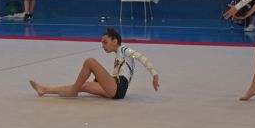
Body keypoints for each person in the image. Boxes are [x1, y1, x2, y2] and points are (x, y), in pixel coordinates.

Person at [29, 28, 159, 100]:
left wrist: (155, 75)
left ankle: (73, 92)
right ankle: (44, 89)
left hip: (118, 87)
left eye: (105, 42)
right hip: (116, 89)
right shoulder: (119, 55)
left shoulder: (124, 49)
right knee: (83, 85)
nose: (102, 46)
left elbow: (142, 58)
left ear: (115, 41)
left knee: (90, 62)